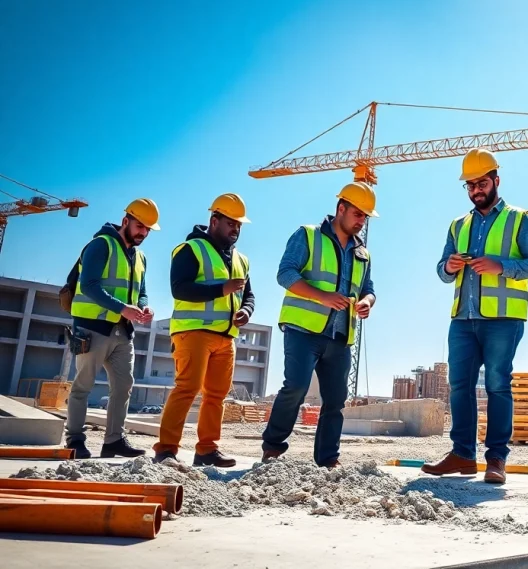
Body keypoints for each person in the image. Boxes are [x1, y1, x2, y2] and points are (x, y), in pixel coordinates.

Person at [421, 148, 528, 485]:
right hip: (463, 318)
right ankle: (462, 455)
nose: (476, 189)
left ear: (496, 180)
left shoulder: (519, 218)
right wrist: (448, 267)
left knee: (497, 385)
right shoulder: (458, 225)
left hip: (503, 319)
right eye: (470, 185)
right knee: (459, 385)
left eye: (482, 183)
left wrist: (501, 266)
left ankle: (496, 459)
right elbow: (442, 270)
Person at [261, 183, 378, 467]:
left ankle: (328, 459)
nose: (361, 221)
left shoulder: (362, 253)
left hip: (340, 334)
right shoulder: (308, 236)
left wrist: (367, 302)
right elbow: (285, 273)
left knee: (336, 399)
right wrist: (323, 296)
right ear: (341, 209)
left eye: (366, 217)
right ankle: (273, 447)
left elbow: (369, 288)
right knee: (297, 387)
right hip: (303, 329)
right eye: (358, 214)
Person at [154, 194, 255, 467]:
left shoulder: (241, 260)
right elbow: (180, 288)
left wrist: (246, 310)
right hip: (193, 332)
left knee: (217, 396)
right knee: (187, 389)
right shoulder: (191, 249)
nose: (235, 229)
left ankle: (207, 450)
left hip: (226, 337)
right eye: (230, 223)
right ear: (214, 221)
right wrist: (221, 289)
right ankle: (165, 450)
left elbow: (249, 295)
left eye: (239, 225)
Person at [65, 198, 159, 459]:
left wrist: (144, 307)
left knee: (123, 386)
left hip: (123, 331)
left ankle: (114, 441)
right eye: (140, 226)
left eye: (148, 229)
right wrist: (122, 308)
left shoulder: (140, 257)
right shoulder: (100, 245)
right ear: (126, 220)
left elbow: (141, 292)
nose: (143, 233)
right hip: (92, 327)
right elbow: (90, 285)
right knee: (83, 385)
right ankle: (74, 439)